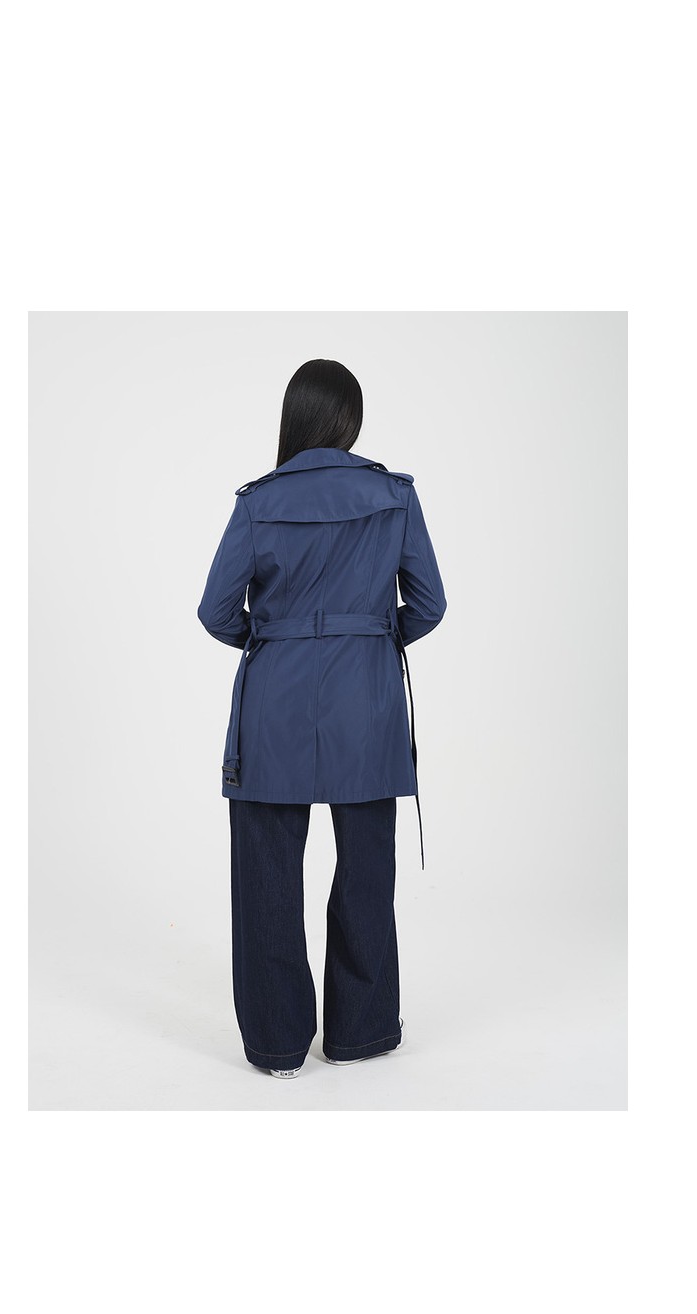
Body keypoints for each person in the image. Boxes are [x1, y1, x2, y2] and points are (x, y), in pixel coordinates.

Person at [197, 359, 447, 1079]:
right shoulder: (394, 496)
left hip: (274, 703)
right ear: (350, 419)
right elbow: (429, 604)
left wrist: (273, 642)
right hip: (366, 702)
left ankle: (278, 1046)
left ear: (294, 417)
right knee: (366, 870)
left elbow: (216, 611)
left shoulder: (259, 502)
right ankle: (361, 1034)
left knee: (267, 874)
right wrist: (373, 637)